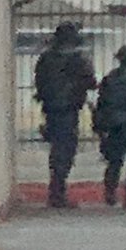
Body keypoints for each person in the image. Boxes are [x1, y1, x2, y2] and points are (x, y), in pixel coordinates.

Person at [33, 21, 96, 209]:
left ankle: (56, 190)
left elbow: (39, 82)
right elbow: (91, 82)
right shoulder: (77, 59)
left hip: (51, 108)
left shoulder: (46, 58)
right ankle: (57, 193)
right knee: (65, 150)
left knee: (57, 149)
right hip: (68, 108)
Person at [93, 44, 126, 210]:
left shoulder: (111, 77)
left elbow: (102, 103)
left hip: (114, 123)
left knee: (115, 161)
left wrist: (100, 125)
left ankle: (110, 192)